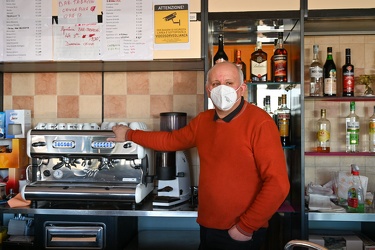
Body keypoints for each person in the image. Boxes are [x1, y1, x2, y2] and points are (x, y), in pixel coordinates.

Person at [108, 61, 290, 250]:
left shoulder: (260, 123)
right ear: (208, 90)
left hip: (241, 232)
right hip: (208, 227)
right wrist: (129, 134)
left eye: (229, 83)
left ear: (242, 88)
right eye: (215, 84)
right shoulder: (203, 121)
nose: (221, 88)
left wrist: (245, 227)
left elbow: (278, 184)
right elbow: (170, 140)